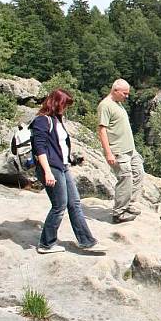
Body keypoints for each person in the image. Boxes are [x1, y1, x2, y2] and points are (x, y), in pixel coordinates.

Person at [31, 88, 105, 254]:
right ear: (57, 103)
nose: (66, 109)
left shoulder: (56, 120)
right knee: (59, 206)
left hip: (63, 166)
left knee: (75, 204)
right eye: (65, 105)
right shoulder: (42, 120)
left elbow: (58, 146)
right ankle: (46, 244)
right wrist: (47, 172)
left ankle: (86, 241)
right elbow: (40, 148)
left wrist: (71, 159)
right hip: (51, 168)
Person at [97, 79, 144, 223]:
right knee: (125, 178)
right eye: (125, 93)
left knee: (138, 173)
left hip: (130, 150)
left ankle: (128, 204)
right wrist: (108, 153)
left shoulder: (118, 104)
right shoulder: (105, 105)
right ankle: (119, 213)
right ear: (115, 90)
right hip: (118, 151)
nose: (127, 96)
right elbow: (102, 130)